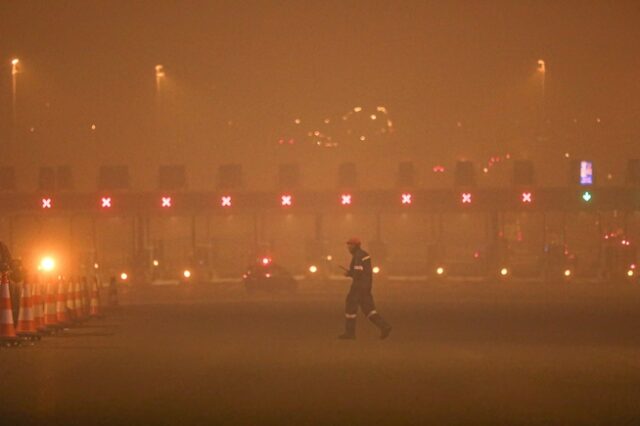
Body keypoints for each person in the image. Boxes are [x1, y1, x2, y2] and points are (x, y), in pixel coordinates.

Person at [338, 237, 392, 340]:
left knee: (350, 308)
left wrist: (350, 273)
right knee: (369, 310)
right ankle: (385, 326)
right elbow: (363, 272)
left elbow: (358, 272)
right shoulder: (363, 254)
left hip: (358, 287)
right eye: (348, 245)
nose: (348, 247)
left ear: (355, 246)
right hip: (366, 287)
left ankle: (350, 333)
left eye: (350, 245)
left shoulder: (358, 256)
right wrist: (352, 273)